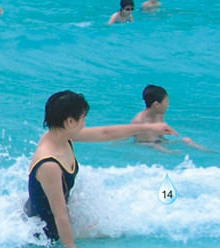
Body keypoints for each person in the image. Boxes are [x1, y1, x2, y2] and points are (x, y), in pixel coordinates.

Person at [25, 90, 177, 248]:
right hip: (45, 234)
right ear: (70, 121)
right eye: (83, 118)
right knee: (119, 232)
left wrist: (149, 127)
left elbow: (105, 133)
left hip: (41, 214)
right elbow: (60, 215)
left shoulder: (60, 137)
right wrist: (71, 245)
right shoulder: (49, 164)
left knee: (116, 227)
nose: (84, 123)